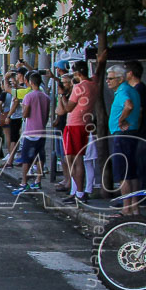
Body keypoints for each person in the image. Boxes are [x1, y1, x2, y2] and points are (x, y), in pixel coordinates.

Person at [107, 64, 142, 215]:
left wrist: (121, 120)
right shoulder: (132, 90)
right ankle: (134, 206)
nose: (108, 81)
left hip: (122, 136)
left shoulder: (123, 91)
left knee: (123, 173)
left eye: (110, 79)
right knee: (131, 172)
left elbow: (129, 106)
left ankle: (126, 207)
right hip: (131, 133)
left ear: (120, 79)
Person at [11, 72, 50, 195]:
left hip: (30, 130)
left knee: (26, 158)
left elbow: (25, 114)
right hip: (42, 130)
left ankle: (24, 183)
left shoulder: (29, 96)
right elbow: (47, 114)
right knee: (40, 156)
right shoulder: (46, 97)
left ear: (31, 82)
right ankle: (38, 180)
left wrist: (23, 108)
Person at [61, 61, 94, 203]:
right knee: (79, 158)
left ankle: (79, 192)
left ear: (77, 73)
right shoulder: (93, 85)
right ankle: (79, 191)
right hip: (85, 123)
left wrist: (63, 96)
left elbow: (68, 108)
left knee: (73, 160)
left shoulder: (79, 87)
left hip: (74, 123)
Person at [126, 60, 146, 189]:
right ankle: (137, 196)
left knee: (139, 165)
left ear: (130, 73)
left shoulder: (138, 89)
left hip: (141, 134)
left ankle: (140, 197)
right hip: (141, 133)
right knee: (136, 165)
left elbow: (139, 112)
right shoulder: (137, 89)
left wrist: (132, 128)